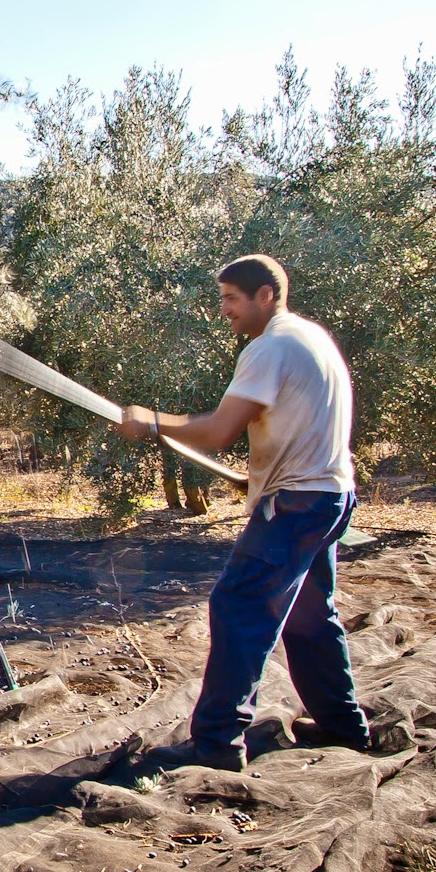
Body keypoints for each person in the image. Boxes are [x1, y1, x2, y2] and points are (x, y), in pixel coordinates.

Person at [114, 254, 370, 771]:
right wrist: (257, 477)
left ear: (266, 296)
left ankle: (216, 744)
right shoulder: (312, 338)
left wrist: (152, 422)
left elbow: (217, 431)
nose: (224, 309)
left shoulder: (269, 346)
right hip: (329, 496)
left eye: (233, 298)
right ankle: (345, 729)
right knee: (310, 616)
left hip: (298, 505)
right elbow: (295, 427)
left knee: (238, 606)